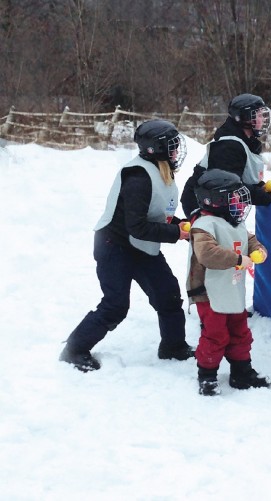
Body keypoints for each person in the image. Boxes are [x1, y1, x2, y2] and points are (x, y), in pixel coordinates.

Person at [60, 120, 194, 372]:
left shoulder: (160, 170)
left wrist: (179, 224)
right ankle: (74, 350)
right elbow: (138, 226)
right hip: (114, 246)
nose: (177, 151)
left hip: (140, 247)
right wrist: (177, 233)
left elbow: (155, 215)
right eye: (172, 146)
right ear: (157, 149)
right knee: (115, 305)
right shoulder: (138, 178)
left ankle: (173, 347)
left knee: (168, 295)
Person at [187, 170, 271, 396]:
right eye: (234, 198)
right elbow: (206, 254)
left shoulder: (235, 222)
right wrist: (237, 259)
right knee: (216, 334)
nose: (240, 203)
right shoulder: (204, 225)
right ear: (216, 200)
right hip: (209, 292)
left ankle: (241, 372)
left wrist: (258, 251)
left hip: (231, 290)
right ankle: (207, 376)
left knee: (240, 331)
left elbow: (249, 240)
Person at [180, 93, 271, 220]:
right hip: (202, 206)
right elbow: (231, 187)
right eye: (259, 115)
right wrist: (267, 198)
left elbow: (240, 178)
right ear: (246, 118)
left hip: (223, 206)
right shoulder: (228, 147)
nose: (263, 119)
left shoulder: (246, 142)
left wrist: (261, 188)